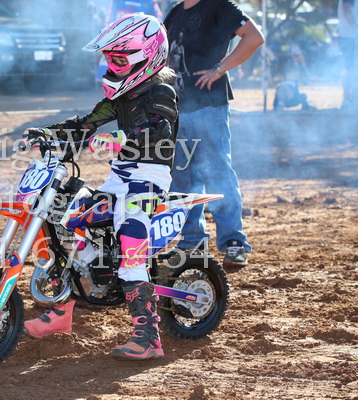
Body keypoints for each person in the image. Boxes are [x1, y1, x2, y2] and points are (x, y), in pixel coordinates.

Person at [22, 13, 178, 360]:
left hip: (148, 181)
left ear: (147, 56)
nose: (111, 66)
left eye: (119, 60)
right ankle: (63, 310)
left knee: (131, 247)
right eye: (109, 59)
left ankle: (149, 338)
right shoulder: (121, 95)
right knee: (68, 227)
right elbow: (86, 125)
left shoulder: (161, 92)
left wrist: (120, 137)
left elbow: (160, 128)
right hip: (118, 178)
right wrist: (47, 132)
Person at [163, 0, 264, 268]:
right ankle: (191, 242)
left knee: (217, 173)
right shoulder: (175, 12)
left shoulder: (218, 5)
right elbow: (164, 56)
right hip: (177, 109)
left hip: (208, 106)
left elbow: (254, 37)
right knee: (182, 178)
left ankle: (233, 242)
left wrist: (219, 70)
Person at [337, 0, 358, 108]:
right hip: (350, 36)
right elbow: (347, 8)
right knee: (351, 68)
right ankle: (348, 98)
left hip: (351, 35)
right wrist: (357, 28)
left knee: (353, 68)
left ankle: (352, 98)